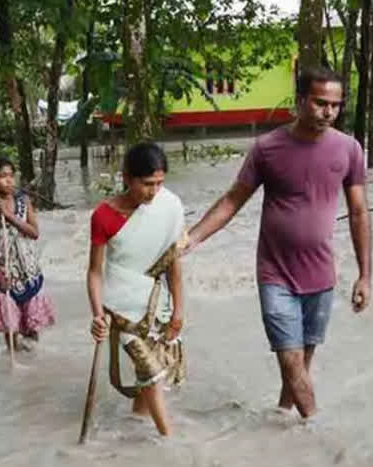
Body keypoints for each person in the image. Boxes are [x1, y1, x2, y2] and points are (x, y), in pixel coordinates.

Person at [182, 66, 370, 419]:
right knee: (290, 357)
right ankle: (315, 433)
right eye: (320, 103)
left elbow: (359, 213)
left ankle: (282, 421)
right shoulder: (268, 148)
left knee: (300, 362)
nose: (328, 112)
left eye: (335, 105)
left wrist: (364, 275)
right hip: (275, 274)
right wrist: (192, 238)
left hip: (321, 275)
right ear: (300, 100)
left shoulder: (349, 150)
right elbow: (232, 200)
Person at [88, 143, 186, 437]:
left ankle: (136, 429)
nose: (153, 192)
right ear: (127, 178)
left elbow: (173, 266)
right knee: (152, 373)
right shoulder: (104, 216)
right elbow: (94, 272)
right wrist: (97, 315)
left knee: (149, 381)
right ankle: (171, 440)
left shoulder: (169, 207)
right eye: (146, 184)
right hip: (122, 308)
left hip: (158, 305)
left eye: (159, 183)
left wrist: (179, 311)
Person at [0, 157, 56, 351]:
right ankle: (15, 368)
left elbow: (34, 233)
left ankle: (32, 367)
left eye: (11, 176)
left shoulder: (23, 201)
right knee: (11, 330)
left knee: (31, 328)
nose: (8, 180)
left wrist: (10, 216)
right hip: (5, 276)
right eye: (2, 176)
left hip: (29, 273)